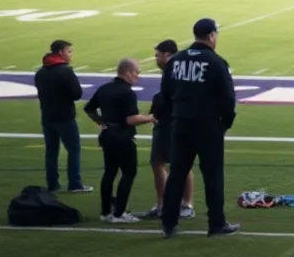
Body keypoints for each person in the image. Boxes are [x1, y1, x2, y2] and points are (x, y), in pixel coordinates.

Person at [159, 18, 240, 238]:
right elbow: (228, 99)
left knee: (177, 173)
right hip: (208, 126)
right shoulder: (216, 62)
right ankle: (216, 223)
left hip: (181, 124)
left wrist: (172, 118)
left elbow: (164, 95)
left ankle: (168, 223)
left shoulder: (176, 60)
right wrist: (225, 123)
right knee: (213, 175)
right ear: (211, 36)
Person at [83, 58, 155, 223]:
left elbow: (89, 108)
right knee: (129, 173)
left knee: (110, 172)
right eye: (136, 73)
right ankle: (119, 213)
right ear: (128, 73)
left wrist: (101, 122)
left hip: (107, 135)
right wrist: (150, 118)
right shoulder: (127, 93)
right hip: (122, 136)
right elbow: (131, 119)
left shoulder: (105, 88)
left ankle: (106, 212)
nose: (138, 76)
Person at [139, 40, 196, 220]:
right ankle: (162, 204)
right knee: (157, 162)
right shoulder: (169, 70)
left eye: (157, 55)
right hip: (163, 122)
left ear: (167, 55)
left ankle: (186, 204)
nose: (156, 59)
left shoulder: (179, 69)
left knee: (181, 164)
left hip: (178, 122)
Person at [34, 40, 91, 194]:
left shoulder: (41, 72)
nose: (71, 55)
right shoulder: (65, 71)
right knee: (74, 149)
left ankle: (52, 184)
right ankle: (75, 183)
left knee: (51, 151)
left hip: (47, 115)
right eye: (69, 51)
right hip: (65, 116)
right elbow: (77, 93)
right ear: (61, 52)